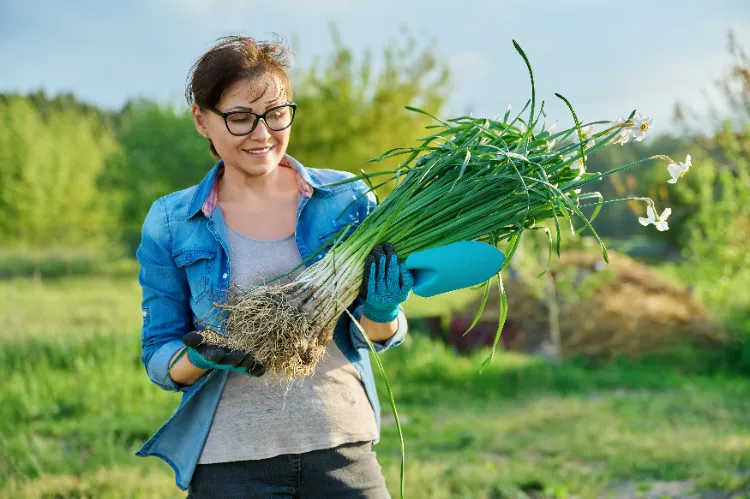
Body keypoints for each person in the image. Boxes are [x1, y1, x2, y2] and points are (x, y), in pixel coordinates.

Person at [134, 35, 413, 498]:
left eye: (276, 114)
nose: (262, 134)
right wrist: (201, 356)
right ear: (202, 120)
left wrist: (383, 312)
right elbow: (160, 357)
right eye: (240, 118)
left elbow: (380, 336)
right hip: (230, 465)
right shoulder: (171, 222)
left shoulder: (347, 200)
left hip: (342, 448)